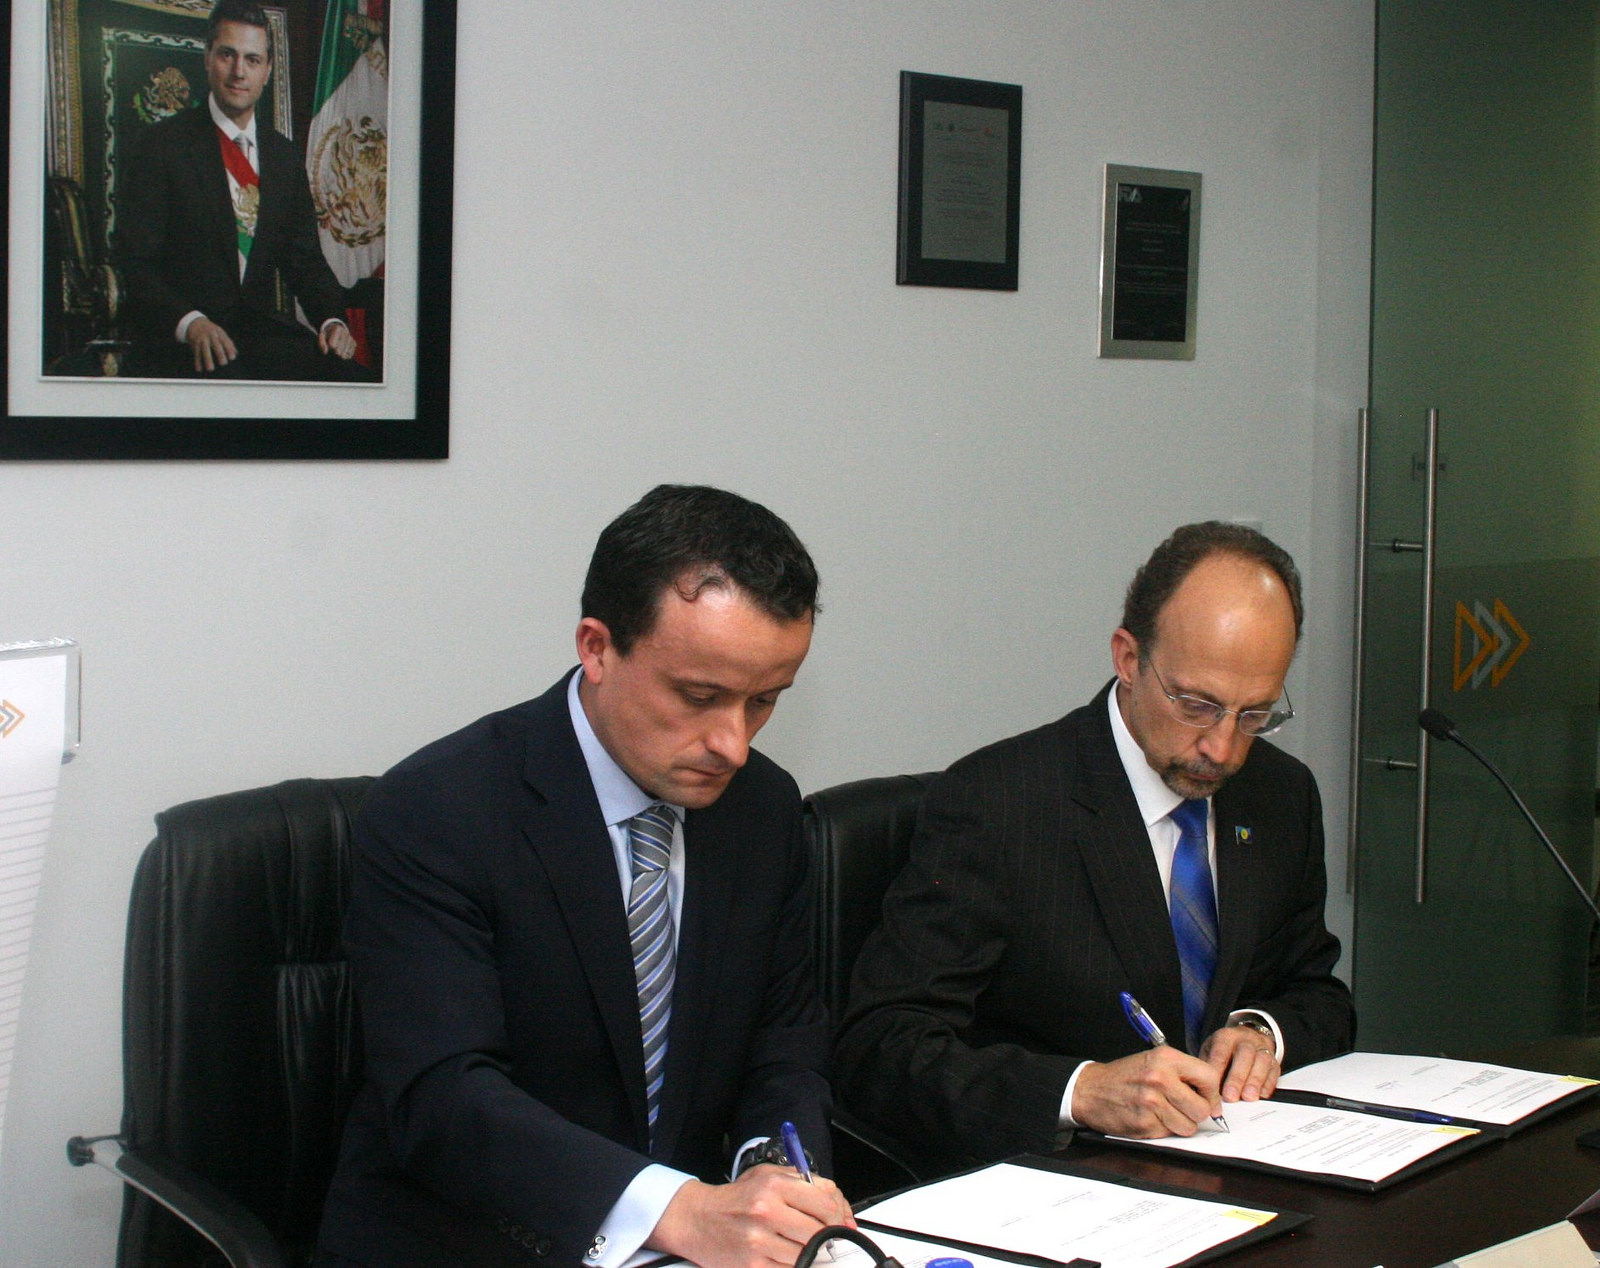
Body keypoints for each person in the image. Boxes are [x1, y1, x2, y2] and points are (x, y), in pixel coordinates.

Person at [315, 485, 853, 1268]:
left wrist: (775, 1172)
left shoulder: (762, 811)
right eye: (700, 697)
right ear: (597, 648)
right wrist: (677, 1210)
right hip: (470, 1240)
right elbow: (446, 1098)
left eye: (765, 701)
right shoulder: (438, 810)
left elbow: (784, 1044)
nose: (733, 744)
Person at [834, 521, 1355, 1176]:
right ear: (1129, 659)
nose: (1223, 749)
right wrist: (1080, 1091)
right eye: (1197, 705)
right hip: (1066, 1186)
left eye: (1253, 714)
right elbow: (880, 1048)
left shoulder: (1280, 795)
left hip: (1241, 1175)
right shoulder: (999, 805)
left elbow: (1320, 994)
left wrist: (1262, 1031)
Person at [115, 0, 362, 380]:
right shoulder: (160, 146)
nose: (238, 72)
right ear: (207, 58)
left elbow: (305, 261)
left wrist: (332, 320)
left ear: (267, 70)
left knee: (353, 386)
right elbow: (134, 264)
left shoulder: (282, 155)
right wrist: (191, 323)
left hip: (258, 338)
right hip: (180, 344)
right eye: (227, 55)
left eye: (252, 59)